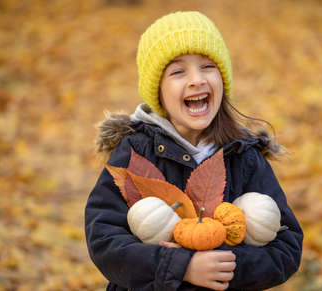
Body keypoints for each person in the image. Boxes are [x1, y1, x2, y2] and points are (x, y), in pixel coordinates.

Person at [85, 11, 303, 291]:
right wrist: (180, 266)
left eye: (208, 67)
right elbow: (104, 240)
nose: (196, 80)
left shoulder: (242, 156)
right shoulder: (135, 152)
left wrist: (222, 266)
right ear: (158, 92)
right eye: (178, 72)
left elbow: (286, 246)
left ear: (223, 78)